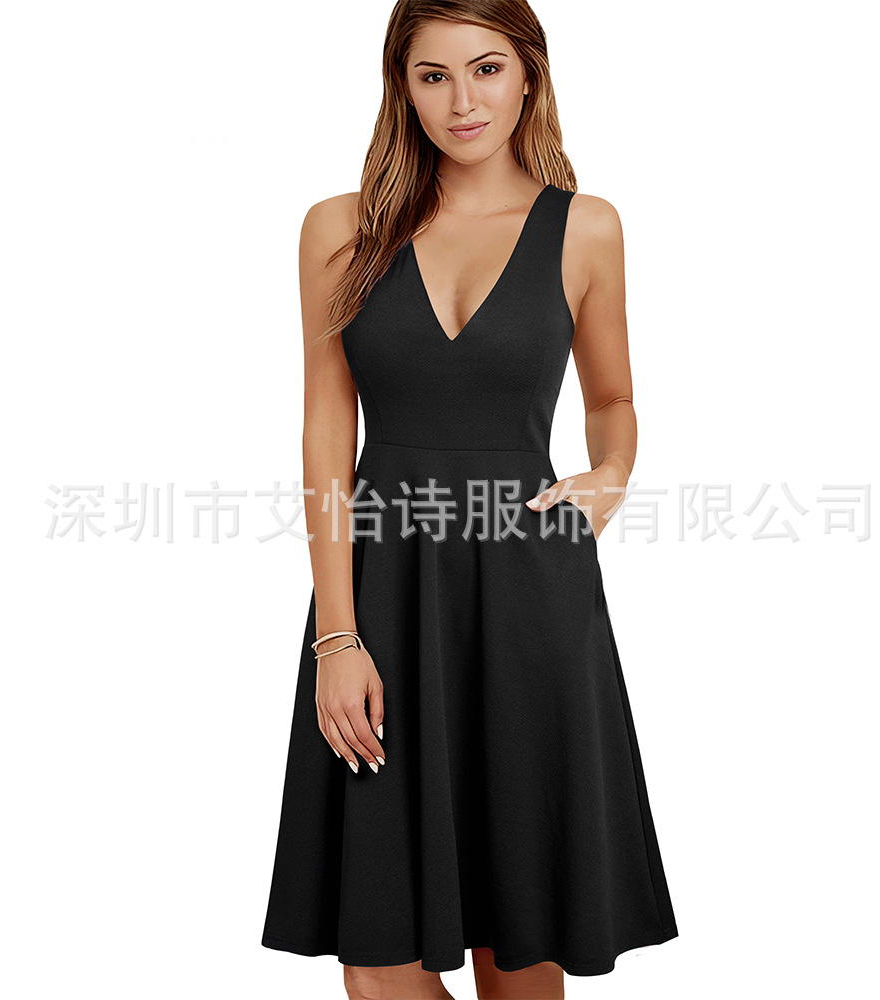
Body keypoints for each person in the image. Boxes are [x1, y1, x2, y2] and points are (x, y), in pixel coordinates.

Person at [261, 3, 679, 998]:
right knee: (376, 966)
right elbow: (327, 434)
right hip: (384, 593)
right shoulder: (339, 228)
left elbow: (612, 399)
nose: (463, 100)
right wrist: (336, 636)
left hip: (532, 593)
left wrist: (611, 472)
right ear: (401, 87)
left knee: (519, 947)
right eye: (433, 75)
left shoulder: (585, 227)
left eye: (487, 68)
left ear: (529, 75)